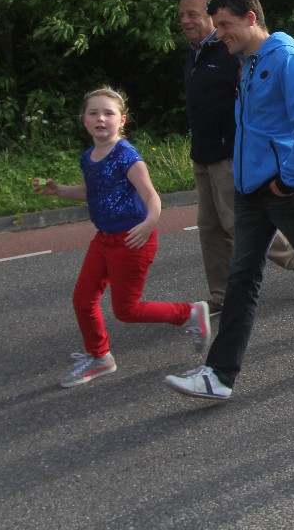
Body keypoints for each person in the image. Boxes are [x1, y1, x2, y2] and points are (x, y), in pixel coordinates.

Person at [164, 0, 294, 401]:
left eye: (226, 24)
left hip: (285, 188)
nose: (220, 33)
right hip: (249, 188)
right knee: (242, 277)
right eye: (216, 25)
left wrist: (285, 180)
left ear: (251, 18)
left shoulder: (289, 61)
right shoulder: (247, 61)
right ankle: (219, 375)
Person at [36, 87, 211, 388]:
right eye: (93, 113)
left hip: (132, 240)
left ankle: (189, 313)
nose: (101, 119)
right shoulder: (88, 157)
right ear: (84, 120)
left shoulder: (126, 155)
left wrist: (148, 224)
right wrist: (59, 190)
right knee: (82, 299)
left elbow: (152, 197)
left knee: (127, 310)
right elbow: (91, 193)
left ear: (122, 120)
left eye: (108, 113)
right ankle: (99, 356)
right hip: (104, 239)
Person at [179, 0, 294, 315]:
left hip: (229, 153)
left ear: (212, 16)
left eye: (193, 14)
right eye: (182, 15)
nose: (186, 21)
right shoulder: (195, 54)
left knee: (236, 223)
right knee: (210, 227)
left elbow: (256, 102)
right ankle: (222, 295)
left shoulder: (230, 52)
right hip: (203, 153)